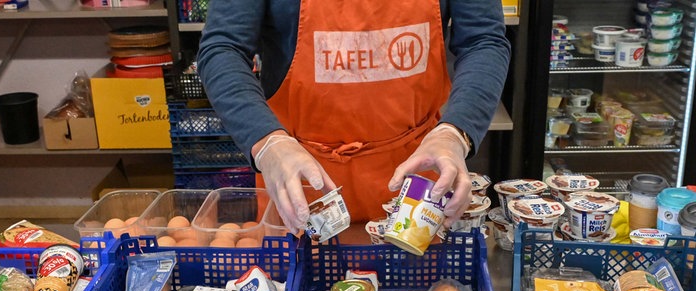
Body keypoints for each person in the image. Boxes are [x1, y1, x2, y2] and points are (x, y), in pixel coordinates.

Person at [197, 0, 511, 234]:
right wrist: (267, 143)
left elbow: (483, 40)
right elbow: (223, 47)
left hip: (417, 179)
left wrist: (454, 133)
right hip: (301, 178)